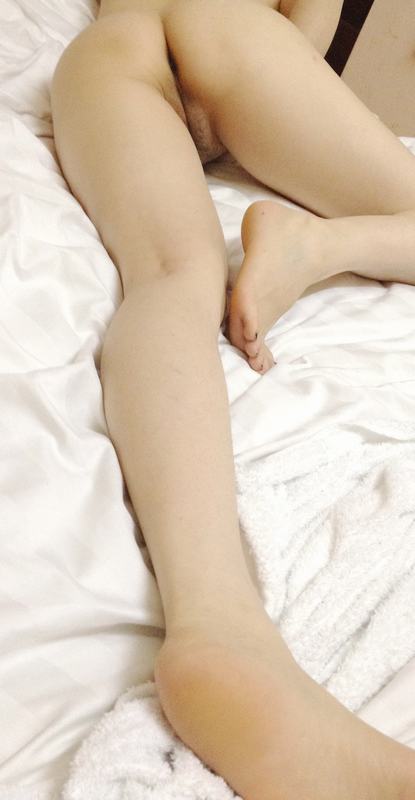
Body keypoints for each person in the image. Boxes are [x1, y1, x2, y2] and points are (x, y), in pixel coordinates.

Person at [50, 0, 415, 797]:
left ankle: (215, 621)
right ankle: (315, 242)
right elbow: (303, 38)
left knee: (169, 279)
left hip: (107, 52)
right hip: (229, 26)